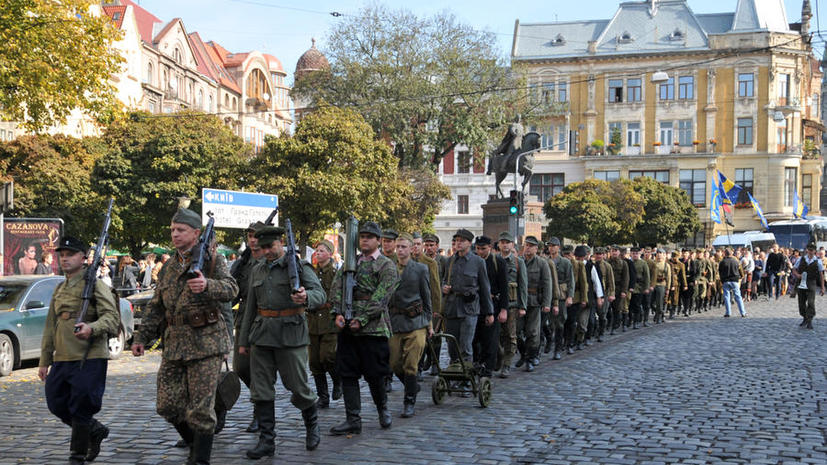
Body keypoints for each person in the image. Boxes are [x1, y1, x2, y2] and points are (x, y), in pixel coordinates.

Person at [130, 208, 238, 465]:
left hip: (207, 343)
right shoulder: (169, 266)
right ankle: (194, 444)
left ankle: (200, 459)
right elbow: (156, 305)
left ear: (196, 233)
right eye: (172, 230)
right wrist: (140, 338)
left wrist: (207, 285)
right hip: (175, 344)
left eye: (181, 230)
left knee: (200, 409)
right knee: (167, 405)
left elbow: (232, 288)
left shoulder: (213, 260)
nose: (175, 234)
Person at [237, 226, 324, 458]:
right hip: (262, 335)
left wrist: (306, 297)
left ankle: (312, 425)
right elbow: (250, 309)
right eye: (263, 247)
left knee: (298, 386)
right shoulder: (257, 269)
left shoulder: (299, 266)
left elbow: (320, 294)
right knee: (261, 389)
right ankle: (267, 441)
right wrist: (243, 341)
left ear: (281, 242)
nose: (266, 251)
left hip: (290, 335)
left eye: (270, 246)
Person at [38, 236, 120, 465]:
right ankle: (93, 430)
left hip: (89, 355)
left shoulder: (95, 284)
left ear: (83, 258)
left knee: (81, 407)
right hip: (63, 356)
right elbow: (50, 325)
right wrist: (45, 360)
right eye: (61, 255)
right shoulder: (60, 288)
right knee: (56, 402)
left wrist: (91, 328)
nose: (64, 259)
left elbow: (112, 318)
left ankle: (77, 456)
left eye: (70, 254)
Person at [329, 221, 399, 435]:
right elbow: (337, 287)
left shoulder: (386, 265)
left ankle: (382, 408)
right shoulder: (351, 264)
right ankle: (353, 418)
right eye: (362, 237)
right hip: (348, 327)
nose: (365, 240)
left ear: (378, 240)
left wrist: (363, 318)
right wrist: (337, 313)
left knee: (375, 374)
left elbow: (382, 296)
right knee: (347, 374)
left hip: (373, 329)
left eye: (370, 236)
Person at [387, 233, 432, 417]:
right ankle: (412, 387)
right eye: (398, 247)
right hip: (395, 322)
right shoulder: (389, 268)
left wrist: (429, 323)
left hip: (416, 322)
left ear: (411, 249)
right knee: (394, 363)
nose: (400, 250)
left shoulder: (420, 269)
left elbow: (427, 296)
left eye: (404, 247)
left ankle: (409, 402)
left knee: (411, 364)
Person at [229, 221, 265, 432]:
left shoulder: (269, 259)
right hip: (244, 319)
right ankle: (261, 397)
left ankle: (260, 412)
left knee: (259, 370)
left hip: (264, 319)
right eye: (250, 236)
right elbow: (232, 290)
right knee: (241, 368)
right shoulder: (243, 262)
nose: (252, 240)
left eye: (256, 236)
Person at [442, 229, 492, 365]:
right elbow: (444, 280)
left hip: (469, 309)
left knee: (465, 346)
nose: (458, 243)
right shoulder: (450, 261)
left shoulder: (478, 262)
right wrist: (443, 288)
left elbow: (485, 288)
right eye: (457, 240)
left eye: (462, 241)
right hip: (452, 309)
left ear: (470, 243)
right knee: (452, 345)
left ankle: (465, 378)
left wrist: (489, 312)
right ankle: (454, 372)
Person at [308, 239, 341, 409]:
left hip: (328, 321)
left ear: (329, 253)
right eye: (317, 250)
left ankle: (338, 381)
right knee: (314, 362)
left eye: (322, 250)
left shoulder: (335, 274)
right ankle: (323, 396)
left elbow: (338, 296)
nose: (318, 253)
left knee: (327, 357)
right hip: (313, 322)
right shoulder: (311, 273)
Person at [518, 236, 556, 370]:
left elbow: (547, 284)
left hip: (534, 301)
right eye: (526, 245)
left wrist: (547, 303)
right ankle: (523, 353)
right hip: (519, 302)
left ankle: (530, 358)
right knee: (516, 332)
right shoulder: (519, 261)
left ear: (536, 248)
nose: (527, 248)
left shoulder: (542, 263)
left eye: (530, 246)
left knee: (533, 332)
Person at [473, 236, 507, 376]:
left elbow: (504, 287)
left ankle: (488, 368)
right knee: (475, 338)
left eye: (483, 249)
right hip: (476, 304)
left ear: (490, 248)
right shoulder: (473, 261)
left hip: (493, 304)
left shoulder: (498, 262)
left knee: (490, 339)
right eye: (478, 249)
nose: (480, 252)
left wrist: (504, 309)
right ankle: (477, 364)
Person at [496, 231, 526, 378]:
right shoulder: (495, 260)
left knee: (510, 335)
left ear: (512, 245)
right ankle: (500, 356)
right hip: (496, 303)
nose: (505, 245)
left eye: (507, 242)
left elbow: (523, 285)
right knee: (496, 335)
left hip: (512, 304)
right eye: (502, 242)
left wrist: (522, 306)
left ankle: (507, 364)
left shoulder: (517, 262)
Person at [548, 238, 574, 358]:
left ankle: (558, 349)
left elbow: (570, 281)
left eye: (554, 246)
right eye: (550, 246)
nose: (551, 248)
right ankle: (547, 342)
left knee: (559, 323)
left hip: (561, 295)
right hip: (547, 295)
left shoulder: (565, 262)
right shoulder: (545, 261)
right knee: (547, 323)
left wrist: (570, 296)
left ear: (558, 247)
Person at [792, 243, 825, 329]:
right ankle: (805, 317)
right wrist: (797, 275)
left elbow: (821, 274)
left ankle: (809, 320)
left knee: (811, 302)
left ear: (815, 251)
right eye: (809, 250)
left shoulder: (818, 261)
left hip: (811, 283)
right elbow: (794, 269)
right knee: (801, 303)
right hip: (801, 283)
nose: (810, 252)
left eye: (812, 250)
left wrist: (822, 287)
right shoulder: (801, 259)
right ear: (807, 250)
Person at [719, 248, 747, 318]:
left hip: (726, 280)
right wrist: (742, 276)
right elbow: (741, 270)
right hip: (734, 280)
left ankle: (728, 312)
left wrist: (722, 280)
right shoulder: (736, 261)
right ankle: (743, 312)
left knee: (726, 297)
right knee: (738, 297)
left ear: (725, 253)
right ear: (732, 253)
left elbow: (720, 272)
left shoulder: (722, 262)